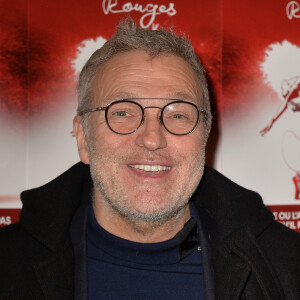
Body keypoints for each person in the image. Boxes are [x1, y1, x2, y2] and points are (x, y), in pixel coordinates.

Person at [0, 17, 299, 300]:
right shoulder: (9, 264)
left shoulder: (287, 267)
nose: (152, 139)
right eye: (123, 112)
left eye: (178, 115)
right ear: (83, 138)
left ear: (205, 136)